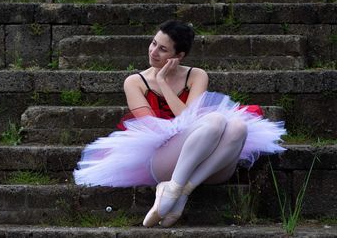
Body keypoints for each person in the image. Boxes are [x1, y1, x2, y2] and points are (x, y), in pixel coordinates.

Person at [73, 20, 286, 227]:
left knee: (239, 126)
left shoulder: (196, 75)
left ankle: (179, 190)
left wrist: (164, 83)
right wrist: (160, 80)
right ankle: (176, 187)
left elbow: (190, 119)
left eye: (163, 49)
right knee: (216, 119)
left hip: (212, 169)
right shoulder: (135, 82)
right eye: (153, 43)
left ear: (179, 56)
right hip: (163, 160)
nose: (153, 52)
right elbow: (151, 127)